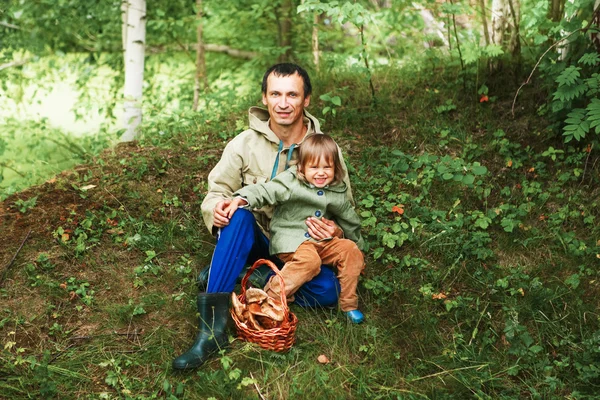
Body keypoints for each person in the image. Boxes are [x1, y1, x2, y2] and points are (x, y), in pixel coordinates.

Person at [173, 63, 357, 370]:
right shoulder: (244, 143)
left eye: (292, 95)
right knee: (238, 213)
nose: (283, 103)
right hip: (254, 235)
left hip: (302, 248)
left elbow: (343, 205)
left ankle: (253, 276)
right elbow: (217, 190)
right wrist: (216, 208)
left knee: (330, 290)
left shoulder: (324, 149)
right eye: (275, 94)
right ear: (265, 97)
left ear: (306, 99)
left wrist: (334, 231)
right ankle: (211, 333)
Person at [225, 134, 366, 322]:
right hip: (292, 239)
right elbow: (267, 191)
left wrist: (358, 248)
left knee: (350, 250)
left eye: (327, 167)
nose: (321, 173)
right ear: (301, 167)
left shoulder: (337, 190)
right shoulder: (291, 182)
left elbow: (350, 221)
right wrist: (243, 198)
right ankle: (269, 299)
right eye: (314, 167)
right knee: (310, 262)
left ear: (335, 167)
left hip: (321, 241)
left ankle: (348, 305)